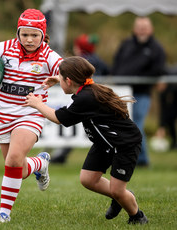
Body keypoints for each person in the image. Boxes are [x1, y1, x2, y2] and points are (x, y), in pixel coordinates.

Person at [25, 56, 148, 225]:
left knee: (118, 190)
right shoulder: (86, 89)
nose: (59, 81)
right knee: (88, 180)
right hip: (104, 144)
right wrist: (57, 78)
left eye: (60, 79)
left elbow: (59, 118)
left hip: (124, 144)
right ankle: (120, 196)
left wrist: (37, 104)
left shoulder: (85, 98)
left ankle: (137, 217)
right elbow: (71, 88)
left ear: (69, 81)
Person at [0, 8, 62, 223]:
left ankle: (4, 214)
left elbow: (66, 68)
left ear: (42, 35)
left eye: (34, 35)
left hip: (30, 115)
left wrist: (59, 77)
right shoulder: (4, 48)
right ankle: (39, 164)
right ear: (17, 33)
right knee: (17, 168)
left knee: (13, 160)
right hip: (3, 117)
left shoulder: (48, 55)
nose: (29, 39)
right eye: (24, 34)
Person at [112, 16, 166, 166]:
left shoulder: (156, 48)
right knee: (122, 125)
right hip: (122, 91)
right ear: (135, 29)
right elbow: (116, 64)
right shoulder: (126, 44)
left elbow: (158, 69)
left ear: (151, 29)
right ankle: (125, 158)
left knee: (136, 125)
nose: (142, 30)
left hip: (142, 94)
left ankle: (142, 160)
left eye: (145, 27)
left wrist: (138, 76)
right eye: (140, 27)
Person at [51, 34, 110, 164]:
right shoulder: (98, 60)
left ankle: (60, 155)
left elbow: (58, 118)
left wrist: (36, 103)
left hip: (83, 100)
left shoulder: (79, 62)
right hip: (92, 101)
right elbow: (108, 71)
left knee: (71, 124)